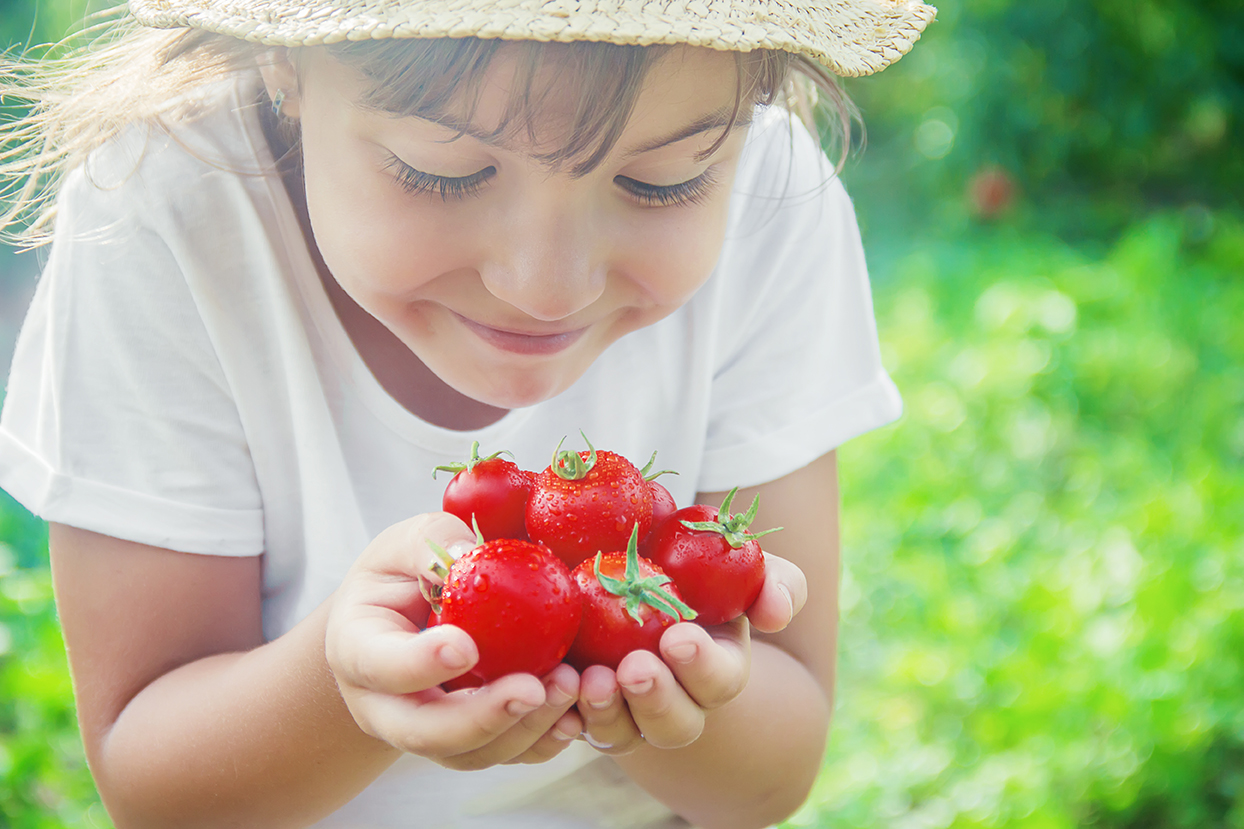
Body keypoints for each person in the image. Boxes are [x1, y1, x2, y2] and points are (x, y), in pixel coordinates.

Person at [0, 0, 932, 824]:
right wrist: (346, 678)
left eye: (663, 182)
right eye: (439, 172)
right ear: (285, 66)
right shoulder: (166, 209)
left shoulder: (771, 201)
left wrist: (633, 666)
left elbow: (773, 779)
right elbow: (157, 793)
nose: (546, 289)